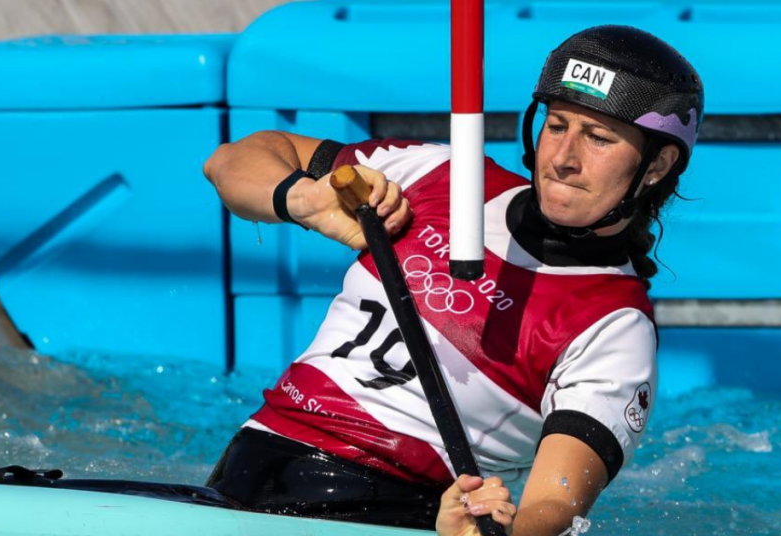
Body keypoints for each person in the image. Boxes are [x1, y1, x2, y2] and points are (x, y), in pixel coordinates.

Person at [202, 25, 703, 536]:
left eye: (598, 138)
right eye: (557, 125)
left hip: (389, 515)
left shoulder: (615, 329)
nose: (564, 158)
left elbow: (555, 507)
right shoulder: (436, 173)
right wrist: (308, 200)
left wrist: (492, 530)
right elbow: (231, 161)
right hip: (238, 475)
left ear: (657, 165)